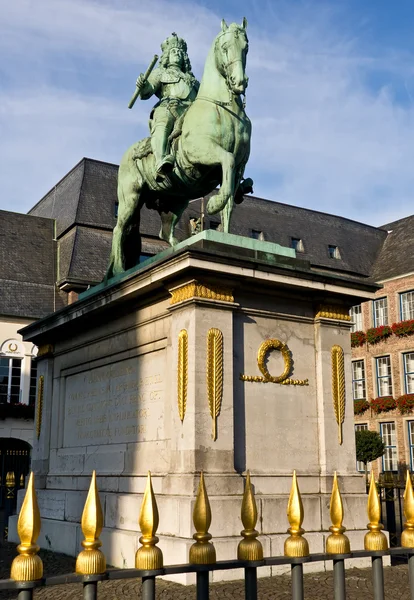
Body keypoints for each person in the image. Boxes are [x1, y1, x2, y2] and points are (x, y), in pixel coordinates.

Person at [137, 33, 199, 179]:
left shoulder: (193, 81)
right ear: (167, 56)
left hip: (190, 112)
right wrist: (143, 85)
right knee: (163, 122)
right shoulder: (160, 72)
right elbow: (148, 90)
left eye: (179, 52)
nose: (177, 54)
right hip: (169, 107)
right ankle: (160, 161)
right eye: (173, 52)